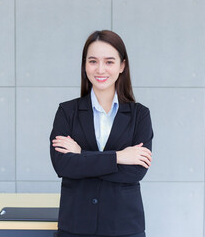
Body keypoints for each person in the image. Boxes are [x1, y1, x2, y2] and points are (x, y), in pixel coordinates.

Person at [50, 30, 153, 237]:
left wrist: (81, 155)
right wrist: (119, 157)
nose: (100, 69)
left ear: (122, 65)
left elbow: (135, 172)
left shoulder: (139, 115)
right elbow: (63, 165)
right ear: (84, 65)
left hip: (124, 227)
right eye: (93, 61)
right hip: (76, 226)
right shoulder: (67, 112)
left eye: (109, 62)